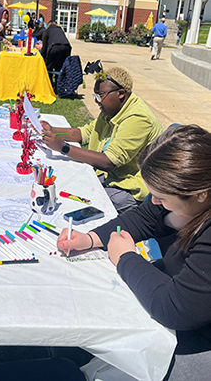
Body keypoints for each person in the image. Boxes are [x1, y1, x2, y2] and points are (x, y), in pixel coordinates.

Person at [57, 124, 211, 380]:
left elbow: (176, 308)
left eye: (161, 196)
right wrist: (91, 238)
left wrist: (126, 258)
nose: (154, 201)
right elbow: (145, 217)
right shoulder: (187, 198)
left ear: (200, 195)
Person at [41, 67, 162, 214]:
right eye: (95, 95)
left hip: (130, 186)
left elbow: (109, 162)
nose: (96, 101)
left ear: (121, 94)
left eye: (100, 95)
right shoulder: (112, 109)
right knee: (69, 184)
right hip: (110, 176)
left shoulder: (138, 118)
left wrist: (64, 148)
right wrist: (52, 130)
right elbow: (85, 133)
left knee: (81, 202)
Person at [41, 20, 71, 92]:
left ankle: (50, 86)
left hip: (56, 47)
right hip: (67, 47)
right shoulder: (59, 29)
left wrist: (43, 57)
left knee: (49, 68)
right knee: (59, 68)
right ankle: (58, 87)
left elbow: (45, 46)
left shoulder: (47, 31)